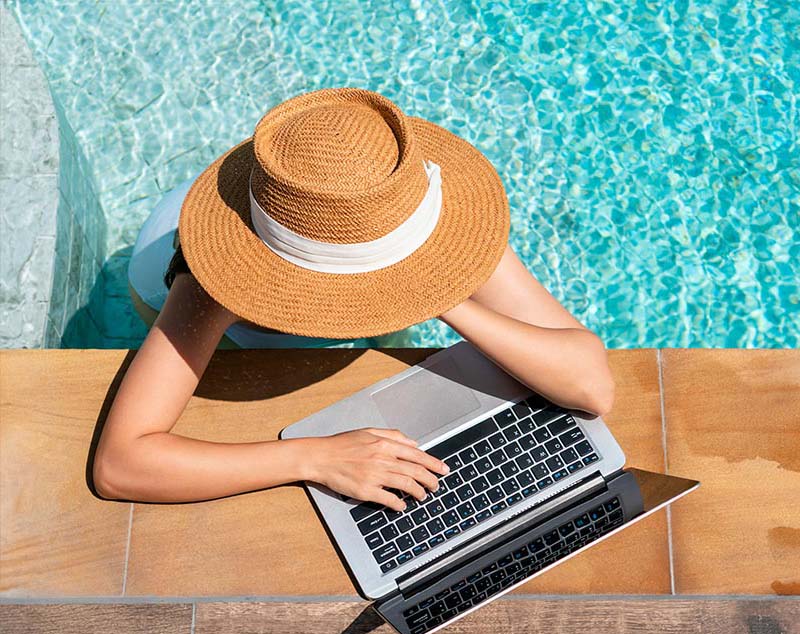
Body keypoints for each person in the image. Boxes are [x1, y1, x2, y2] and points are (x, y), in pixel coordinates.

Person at [93, 88, 615, 512]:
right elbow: (120, 466)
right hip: (186, 278)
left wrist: (440, 292)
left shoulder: (409, 208)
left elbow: (591, 386)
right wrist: (314, 458)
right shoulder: (216, 277)